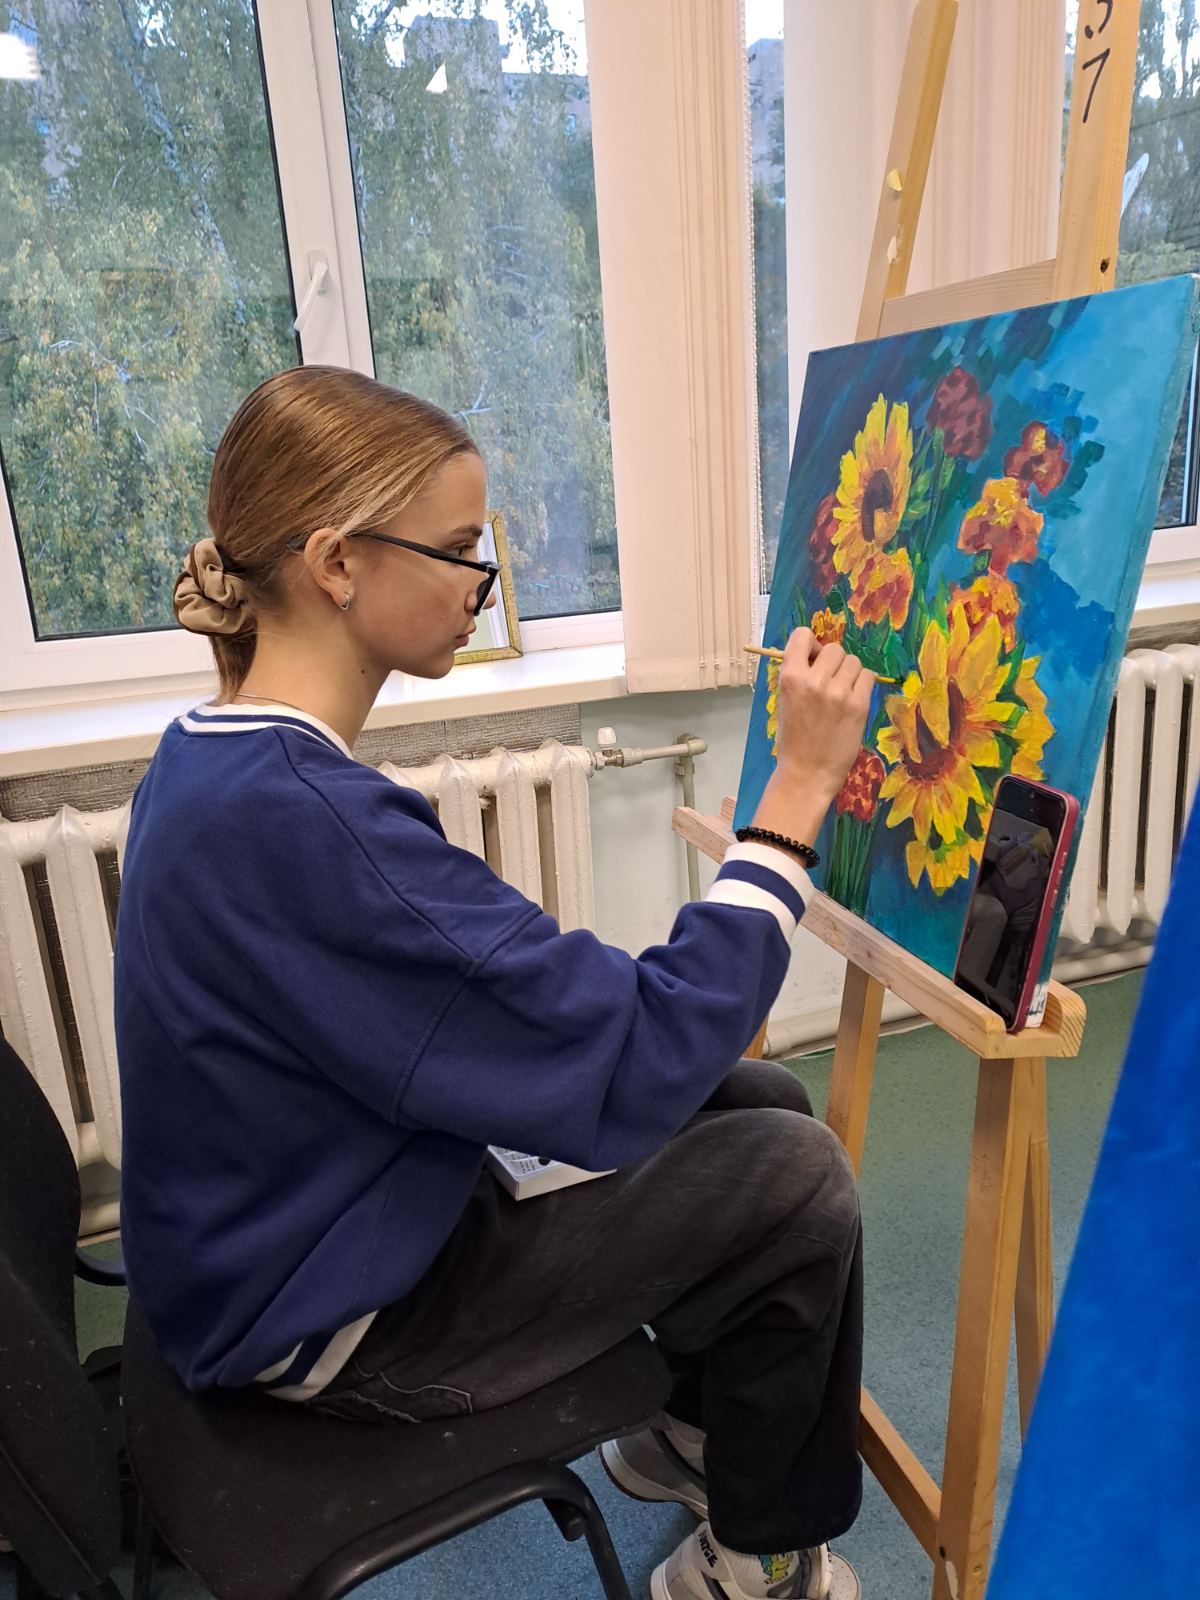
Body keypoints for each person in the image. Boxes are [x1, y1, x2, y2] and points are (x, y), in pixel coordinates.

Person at [114, 366, 875, 1600]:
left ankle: (688, 1436)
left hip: (278, 1232)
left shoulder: (212, 756)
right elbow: (637, 1055)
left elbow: (512, 1019)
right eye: (462, 549)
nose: (483, 584)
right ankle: (759, 1563)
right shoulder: (304, 821)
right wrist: (794, 795)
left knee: (756, 1099)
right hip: (324, 1315)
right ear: (337, 561)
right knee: (798, 1177)